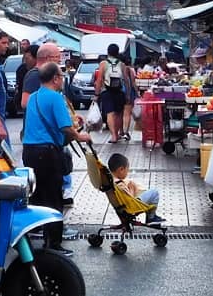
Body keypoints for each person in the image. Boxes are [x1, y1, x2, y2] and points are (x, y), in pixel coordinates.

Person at [21, 62, 90, 255]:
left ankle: (32, 239)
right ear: (55, 78)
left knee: (36, 196)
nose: (62, 79)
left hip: (29, 152)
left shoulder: (33, 97)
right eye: (61, 75)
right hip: (48, 153)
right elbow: (65, 128)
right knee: (53, 198)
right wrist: (80, 136)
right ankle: (53, 244)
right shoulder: (56, 97)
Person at [107, 152, 165, 224]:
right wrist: (132, 189)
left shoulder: (111, 181)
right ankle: (151, 217)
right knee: (154, 193)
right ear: (121, 169)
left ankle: (150, 216)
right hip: (132, 206)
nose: (127, 172)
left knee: (145, 192)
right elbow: (130, 197)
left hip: (122, 207)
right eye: (127, 170)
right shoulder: (120, 185)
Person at [95, 42, 129, 143]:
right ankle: (118, 134)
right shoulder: (122, 64)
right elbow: (126, 81)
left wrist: (97, 94)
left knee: (110, 113)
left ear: (108, 52)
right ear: (118, 52)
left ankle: (113, 136)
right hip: (119, 91)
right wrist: (127, 94)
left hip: (107, 91)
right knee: (119, 113)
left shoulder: (103, 64)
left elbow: (99, 79)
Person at [14, 44, 38, 116]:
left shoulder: (34, 74)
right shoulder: (22, 69)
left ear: (36, 57)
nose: (25, 61)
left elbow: (25, 103)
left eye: (27, 58)